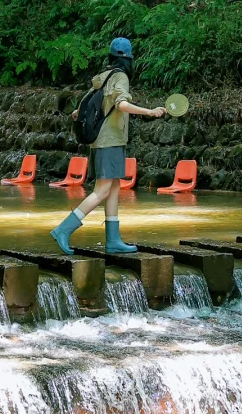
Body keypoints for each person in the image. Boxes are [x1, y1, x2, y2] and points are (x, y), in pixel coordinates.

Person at [50, 37, 166, 255]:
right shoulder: (120, 76)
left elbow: (80, 110)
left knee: (113, 188)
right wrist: (149, 111)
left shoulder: (103, 75)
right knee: (102, 191)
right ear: (129, 59)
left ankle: (113, 240)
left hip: (100, 141)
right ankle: (63, 229)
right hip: (110, 141)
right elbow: (121, 104)